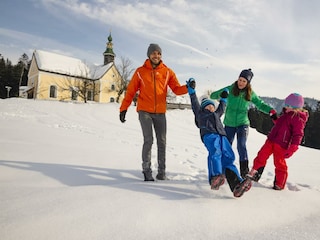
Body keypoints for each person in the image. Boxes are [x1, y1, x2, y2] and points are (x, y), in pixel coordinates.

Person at [119, 43, 188, 181]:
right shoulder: (140, 71)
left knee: (162, 141)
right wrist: (124, 108)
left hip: (160, 112)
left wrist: (188, 87)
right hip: (144, 111)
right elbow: (131, 91)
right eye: (153, 53)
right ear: (149, 55)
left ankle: (162, 172)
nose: (156, 56)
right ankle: (147, 171)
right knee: (149, 140)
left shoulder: (167, 71)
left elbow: (176, 89)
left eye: (158, 53)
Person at [187, 78, 251, 198]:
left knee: (229, 156)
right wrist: (192, 91)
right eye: (207, 106)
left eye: (212, 106)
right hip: (209, 135)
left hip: (222, 136)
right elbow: (195, 103)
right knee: (215, 152)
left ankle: (237, 183)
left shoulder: (216, 114)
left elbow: (222, 107)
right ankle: (216, 176)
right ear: (203, 108)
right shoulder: (200, 114)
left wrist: (224, 97)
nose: (210, 108)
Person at [209, 69, 276, 178]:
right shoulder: (230, 89)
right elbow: (213, 95)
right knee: (226, 147)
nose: (241, 83)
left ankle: (244, 172)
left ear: (248, 83)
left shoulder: (250, 93)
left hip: (242, 123)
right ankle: (222, 170)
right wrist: (223, 93)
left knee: (241, 145)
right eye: (240, 80)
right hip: (229, 124)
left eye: (244, 81)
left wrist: (270, 110)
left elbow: (260, 104)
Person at [246, 93, 308, 190]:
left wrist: (293, 148)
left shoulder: (298, 118)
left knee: (279, 163)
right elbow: (280, 124)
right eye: (286, 105)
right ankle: (254, 173)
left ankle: (279, 183)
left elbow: (298, 135)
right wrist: (275, 118)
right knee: (261, 155)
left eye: (289, 106)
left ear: (296, 108)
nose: (286, 107)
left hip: (282, 144)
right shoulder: (286, 114)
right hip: (271, 140)